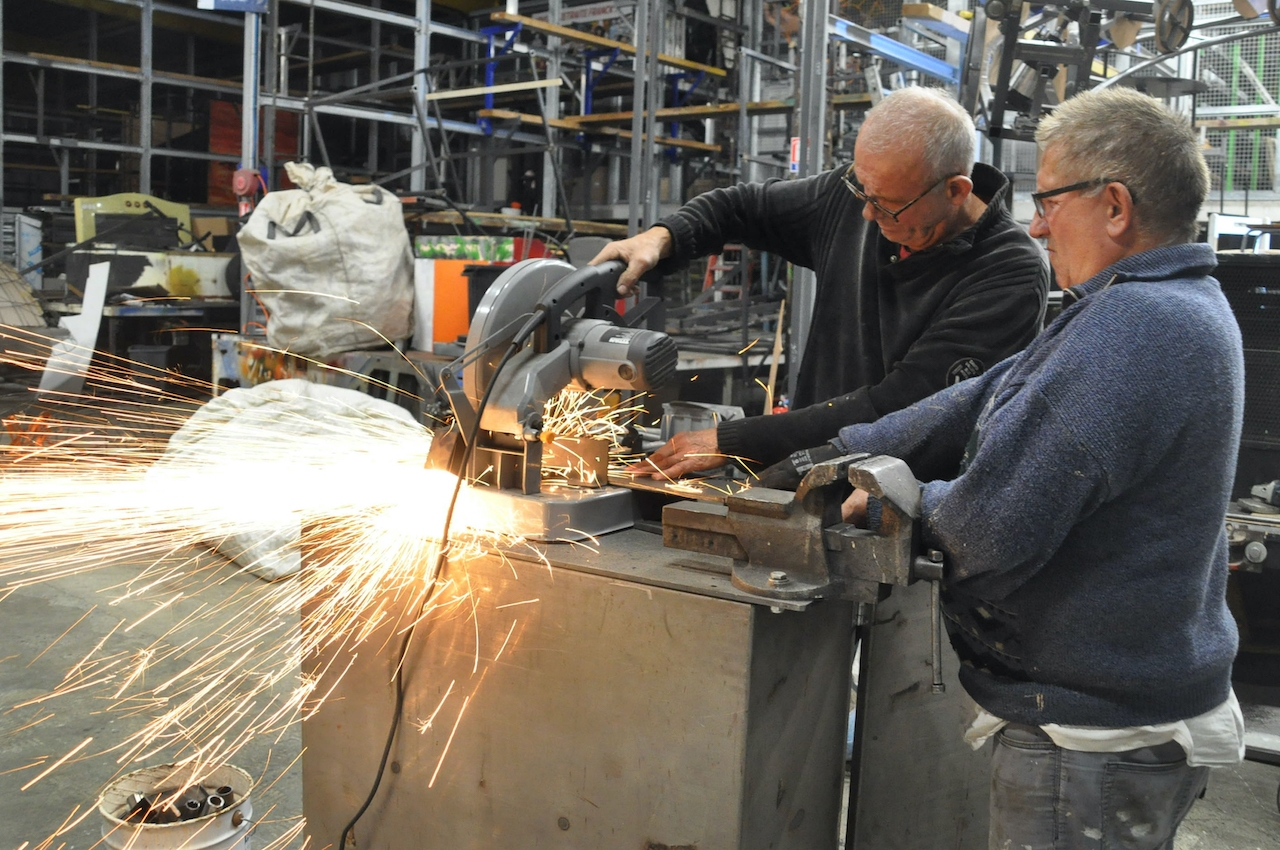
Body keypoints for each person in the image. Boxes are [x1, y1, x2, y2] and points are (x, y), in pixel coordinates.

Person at [830, 87, 1244, 849]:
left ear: (1115, 206)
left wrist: (903, 497)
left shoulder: (1139, 328)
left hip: (1088, 740)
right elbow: (989, 389)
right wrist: (833, 450)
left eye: (1050, 200)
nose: (1036, 223)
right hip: (1116, 716)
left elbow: (986, 531)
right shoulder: (1161, 302)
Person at [591, 86, 1049, 480]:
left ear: (956, 191)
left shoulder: (1009, 273)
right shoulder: (856, 198)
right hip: (809, 475)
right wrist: (664, 236)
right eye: (862, 192)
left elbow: (899, 410)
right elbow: (742, 207)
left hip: (907, 508)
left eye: (887, 205)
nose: (867, 215)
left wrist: (732, 439)